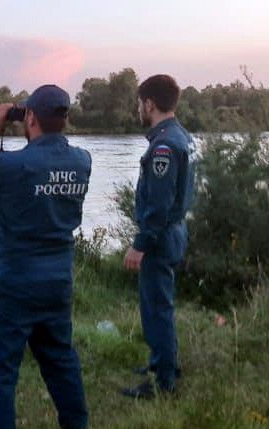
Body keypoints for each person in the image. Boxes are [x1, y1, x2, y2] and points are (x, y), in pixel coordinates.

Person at [0, 85, 90, 429]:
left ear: (29, 117)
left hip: (16, 283)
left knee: (1, 371)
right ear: (64, 118)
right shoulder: (83, 160)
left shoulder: (13, 164)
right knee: (60, 357)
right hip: (58, 279)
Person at [122, 74, 196, 399]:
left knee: (157, 308)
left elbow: (160, 204)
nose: (138, 109)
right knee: (158, 303)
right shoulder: (182, 136)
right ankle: (161, 361)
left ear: (149, 104)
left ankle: (163, 381)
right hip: (176, 231)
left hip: (162, 235)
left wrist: (140, 244)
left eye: (140, 103)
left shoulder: (164, 145)